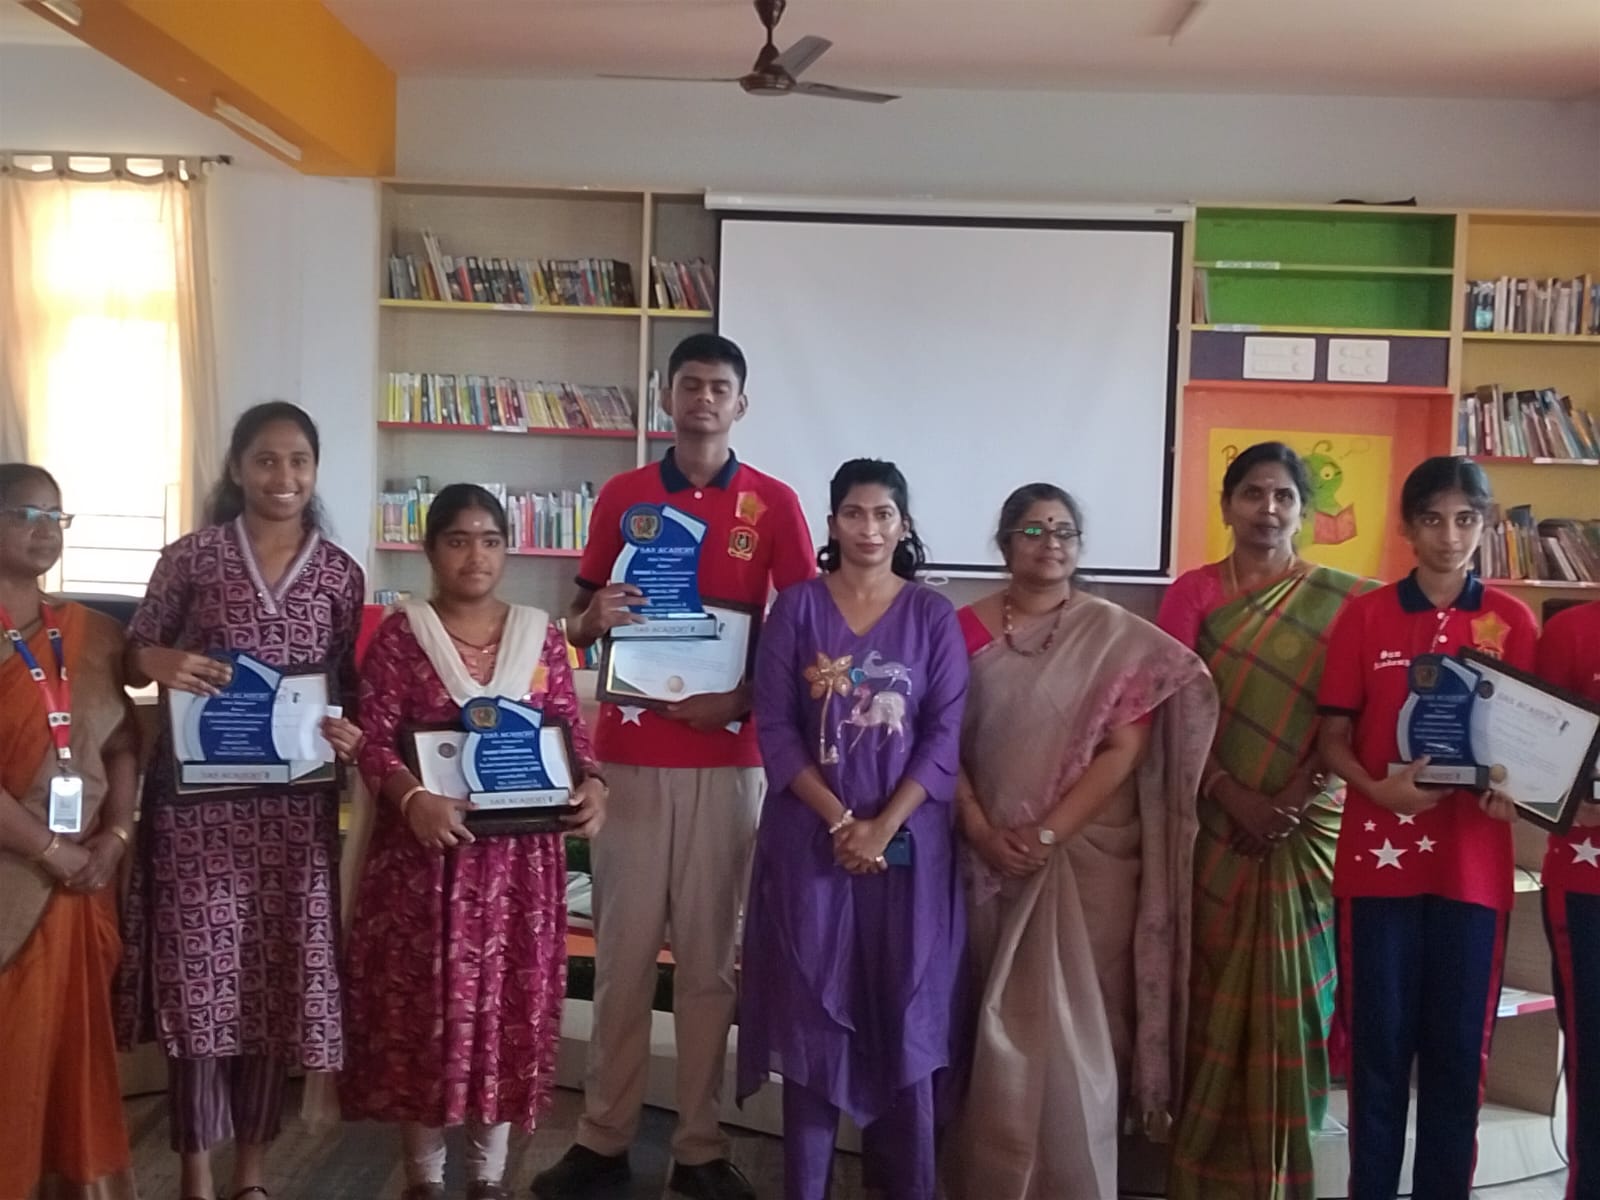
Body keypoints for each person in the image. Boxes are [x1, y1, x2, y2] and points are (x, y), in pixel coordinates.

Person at [534, 334, 815, 1200]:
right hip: (628, 757)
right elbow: (575, 617)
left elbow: (804, 633)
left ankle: (697, 1145)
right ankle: (602, 1137)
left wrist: (740, 701)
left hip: (729, 762)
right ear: (667, 397)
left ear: (741, 403)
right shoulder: (623, 495)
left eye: (719, 387)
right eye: (690, 384)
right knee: (621, 958)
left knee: (708, 964)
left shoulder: (774, 503)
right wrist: (589, 623)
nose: (704, 399)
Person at [115, 402, 367, 1200]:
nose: (283, 477)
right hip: (198, 814)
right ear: (236, 468)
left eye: (298, 461)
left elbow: (347, 687)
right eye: (266, 460)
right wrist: (158, 659)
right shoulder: (190, 558)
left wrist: (348, 733)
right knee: (199, 988)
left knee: (273, 987)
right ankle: (195, 1172)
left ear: (315, 470)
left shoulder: (340, 574)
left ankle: (251, 1176)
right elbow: (130, 651)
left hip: (292, 818)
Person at [943, 483, 1215, 1200]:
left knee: (1084, 1032)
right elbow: (938, 741)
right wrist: (979, 828)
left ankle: (1075, 1179)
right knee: (990, 1024)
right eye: (1034, 530)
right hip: (981, 859)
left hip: (1086, 859)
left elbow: (1125, 748)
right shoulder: (960, 630)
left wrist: (1046, 833)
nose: (1051, 543)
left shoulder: (1114, 635)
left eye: (1064, 531)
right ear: (1006, 543)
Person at [341, 484, 608, 1200]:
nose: (475, 555)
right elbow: (372, 742)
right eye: (458, 540)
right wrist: (414, 799)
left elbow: (569, 735)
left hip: (518, 869)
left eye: (490, 540)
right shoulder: (403, 636)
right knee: (426, 1013)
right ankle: (424, 1179)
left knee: (503, 1011)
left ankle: (488, 1177)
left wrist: (594, 786)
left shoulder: (539, 634)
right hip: (426, 862)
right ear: (430, 550)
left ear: (506, 549)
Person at [737, 458, 968, 1200]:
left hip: (910, 850)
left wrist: (882, 826)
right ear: (832, 523)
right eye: (854, 513)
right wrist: (841, 821)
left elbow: (944, 735)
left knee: (903, 1016)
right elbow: (776, 728)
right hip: (810, 842)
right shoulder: (797, 609)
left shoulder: (931, 615)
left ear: (904, 525)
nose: (869, 528)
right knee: (815, 1020)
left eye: (883, 514)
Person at [1316, 456, 1536, 1200]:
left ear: (1485, 524)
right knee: (1378, 1055)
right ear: (1407, 527)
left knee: (1457, 1057)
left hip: (1471, 871)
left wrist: (1519, 795)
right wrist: (1377, 789)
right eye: (1433, 519)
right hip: (1377, 867)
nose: (1450, 536)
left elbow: (1532, 749)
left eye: (1466, 519)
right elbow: (1332, 738)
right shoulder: (1365, 616)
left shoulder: (1514, 621)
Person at [1161, 443, 1376, 1199]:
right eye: (1253, 494)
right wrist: (1230, 793)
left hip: (1307, 826)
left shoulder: (1346, 602)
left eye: (1284, 496)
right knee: (1213, 990)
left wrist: (1294, 796)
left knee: (1298, 1005)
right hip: (1215, 823)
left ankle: (1285, 1171)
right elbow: (1173, 712)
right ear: (1227, 505)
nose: (1269, 510)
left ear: (1305, 512)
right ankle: (1204, 1172)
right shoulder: (1192, 595)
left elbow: (1353, 711)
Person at [0, 464, 139, 1200]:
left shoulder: (92, 633)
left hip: (84, 878)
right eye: (26, 514)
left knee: (73, 1051)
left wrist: (114, 837)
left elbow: (121, 744)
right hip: (14, 880)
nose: (45, 529)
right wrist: (49, 848)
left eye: (55, 516)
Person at [1534, 599, 1600, 1200]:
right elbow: (1531, 750)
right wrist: (1559, 795)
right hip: (1587, 882)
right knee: (1592, 1055)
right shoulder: (1570, 632)